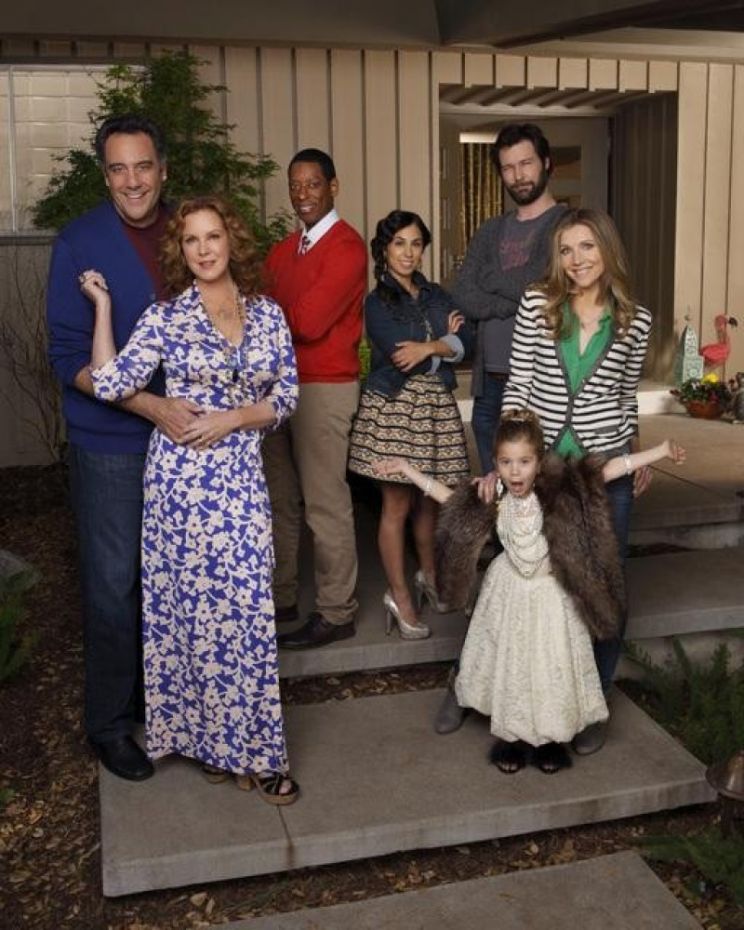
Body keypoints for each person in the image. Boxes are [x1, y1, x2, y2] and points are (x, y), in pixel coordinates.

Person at [80, 194, 300, 805]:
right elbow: (109, 381)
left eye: (213, 236)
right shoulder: (166, 318)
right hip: (181, 487)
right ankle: (215, 746)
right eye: (191, 240)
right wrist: (103, 308)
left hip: (241, 479)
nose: (204, 249)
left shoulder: (268, 314)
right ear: (181, 251)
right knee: (198, 621)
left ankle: (256, 748)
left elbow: (285, 396)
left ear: (231, 241)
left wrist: (232, 418)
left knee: (247, 613)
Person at [375, 411, 685, 773]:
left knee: (549, 663)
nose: (515, 471)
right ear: (495, 464)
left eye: (524, 462)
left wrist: (660, 451)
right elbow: (449, 498)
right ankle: (512, 740)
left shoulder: (557, 491)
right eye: (506, 462)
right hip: (508, 592)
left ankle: (551, 741)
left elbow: (609, 470)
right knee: (514, 663)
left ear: (539, 462)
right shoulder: (494, 494)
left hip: (550, 594)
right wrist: (408, 470)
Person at [47, 114, 202, 781]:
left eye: (143, 166)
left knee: (171, 582)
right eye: (118, 168)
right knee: (114, 585)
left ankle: (164, 704)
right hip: (110, 442)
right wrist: (150, 406)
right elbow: (66, 356)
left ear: (163, 169)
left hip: (188, 444)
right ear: (105, 175)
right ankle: (109, 724)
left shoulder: (190, 232)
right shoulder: (79, 241)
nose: (132, 181)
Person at [499, 207, 653, 754]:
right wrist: (511, 458)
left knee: (604, 584)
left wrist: (636, 453)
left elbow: (625, 397)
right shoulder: (537, 304)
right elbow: (518, 382)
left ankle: (595, 701)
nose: (576, 260)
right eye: (566, 250)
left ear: (607, 249)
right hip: (546, 466)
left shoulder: (636, 319)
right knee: (535, 582)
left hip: (605, 467)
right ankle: (519, 694)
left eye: (587, 247)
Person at [347, 210, 471, 639]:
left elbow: (467, 342)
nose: (408, 252)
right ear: (384, 249)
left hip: (435, 407)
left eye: (416, 243)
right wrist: (444, 346)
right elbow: (401, 357)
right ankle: (399, 595)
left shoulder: (437, 294)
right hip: (395, 409)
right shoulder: (376, 302)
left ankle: (429, 576)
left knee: (430, 501)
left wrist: (430, 347)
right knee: (397, 505)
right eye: (399, 243)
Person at [262, 148, 367, 649]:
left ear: (333, 187)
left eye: (313, 184)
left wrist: (269, 315)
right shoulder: (283, 251)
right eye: (295, 185)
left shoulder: (347, 248)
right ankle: (282, 597)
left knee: (324, 503)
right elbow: (259, 308)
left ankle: (336, 611)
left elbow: (307, 322)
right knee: (279, 499)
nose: (302, 194)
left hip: (323, 387)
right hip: (274, 387)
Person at [451, 123, 565, 475]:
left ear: (546, 162)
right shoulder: (490, 230)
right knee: (496, 488)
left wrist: (492, 283)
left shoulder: (565, 224)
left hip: (540, 382)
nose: (518, 176)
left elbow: (544, 284)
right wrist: (514, 299)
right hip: (490, 381)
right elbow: (463, 292)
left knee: (543, 486)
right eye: (508, 168)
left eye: (526, 163)